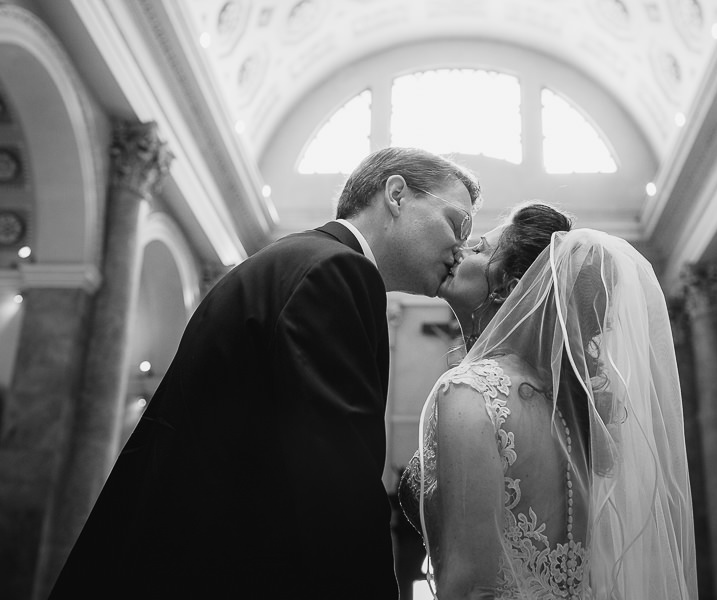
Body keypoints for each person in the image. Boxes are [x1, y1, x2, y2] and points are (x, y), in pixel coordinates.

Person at [49, 147, 481, 599]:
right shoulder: (338, 271)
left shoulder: (298, 258)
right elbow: (335, 482)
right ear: (397, 195)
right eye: (458, 224)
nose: (462, 248)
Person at [400, 224, 697, 599]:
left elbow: (471, 582)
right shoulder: (573, 408)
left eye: (478, 248)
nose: (460, 251)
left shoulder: (470, 390)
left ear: (510, 288)